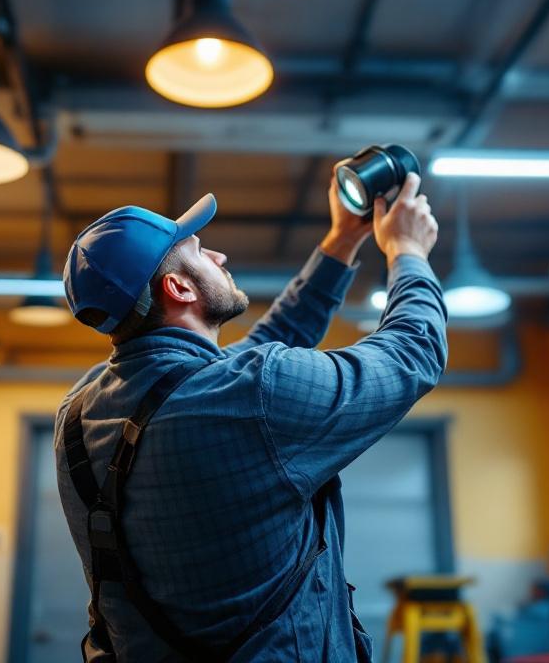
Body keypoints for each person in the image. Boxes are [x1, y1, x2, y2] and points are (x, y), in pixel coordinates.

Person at [57, 169, 448, 661]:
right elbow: (412, 354)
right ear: (178, 287)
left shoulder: (78, 410)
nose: (219, 256)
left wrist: (341, 240)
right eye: (201, 252)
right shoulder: (252, 394)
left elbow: (264, 348)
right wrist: (408, 253)